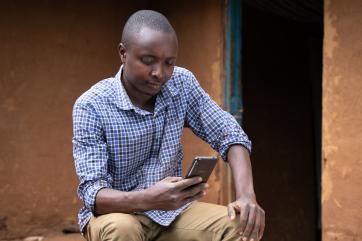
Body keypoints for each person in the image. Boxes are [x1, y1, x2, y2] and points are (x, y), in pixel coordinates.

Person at [72, 9, 265, 241]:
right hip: (116, 214)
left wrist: (247, 196)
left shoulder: (181, 84)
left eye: (169, 63)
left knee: (239, 225)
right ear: (123, 53)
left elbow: (230, 134)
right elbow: (93, 195)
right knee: (122, 229)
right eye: (148, 61)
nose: (159, 73)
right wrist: (149, 198)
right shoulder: (91, 105)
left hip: (172, 214)